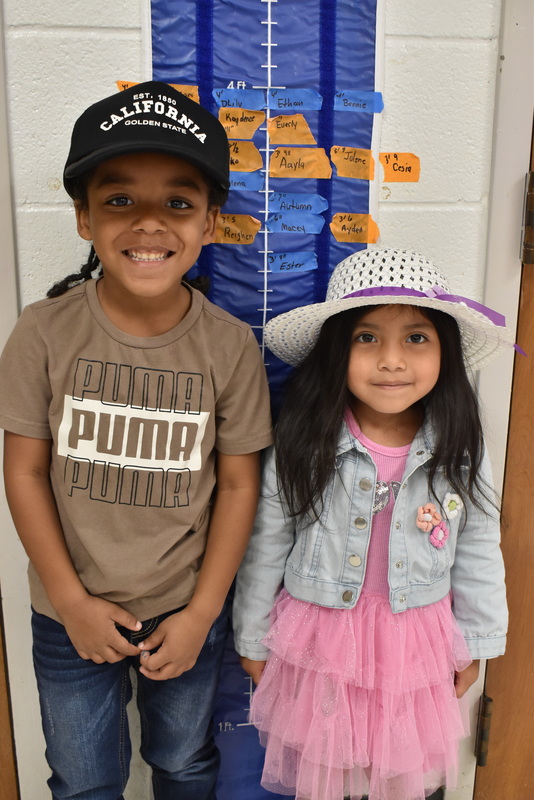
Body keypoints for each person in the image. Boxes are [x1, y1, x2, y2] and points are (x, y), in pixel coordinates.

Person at [0, 81, 272, 800]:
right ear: (84, 218)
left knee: (183, 764)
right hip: (67, 613)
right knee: (84, 780)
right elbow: (24, 472)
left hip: (186, 611)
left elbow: (241, 483)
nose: (149, 223)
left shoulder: (229, 346)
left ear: (211, 222)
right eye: (119, 199)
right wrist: (70, 599)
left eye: (178, 202)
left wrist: (203, 613)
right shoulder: (42, 332)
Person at [233, 248, 514, 800]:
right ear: (336, 350)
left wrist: (476, 641)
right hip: (321, 642)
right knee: (329, 771)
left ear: (445, 353)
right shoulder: (304, 439)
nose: (391, 360)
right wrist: (252, 635)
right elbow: (268, 539)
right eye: (367, 338)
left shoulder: (458, 445)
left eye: (416, 338)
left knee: (405, 775)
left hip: (416, 645)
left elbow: (479, 541)